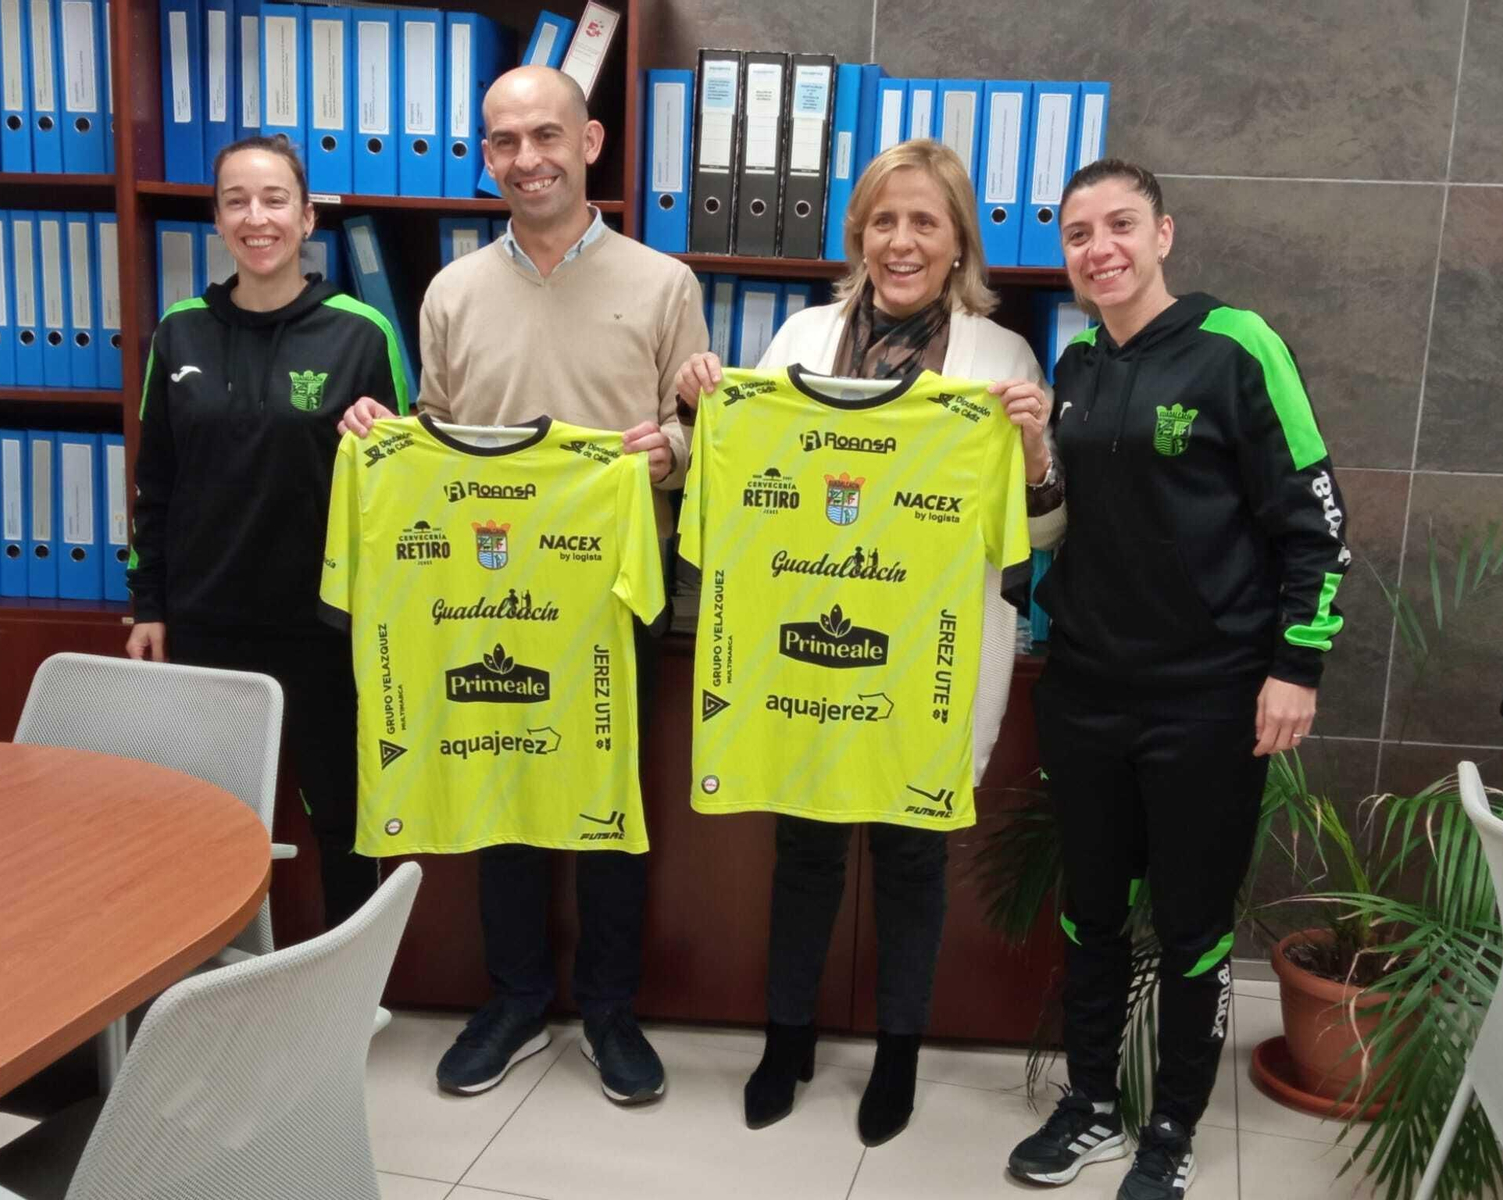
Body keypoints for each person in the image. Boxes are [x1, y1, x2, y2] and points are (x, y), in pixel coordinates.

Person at [674, 138, 1061, 1145]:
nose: (901, 241)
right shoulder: (800, 337)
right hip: (805, 648)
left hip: (928, 661)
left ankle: (898, 1055)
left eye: (925, 221)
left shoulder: (999, 360)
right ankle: (786, 1040)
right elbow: (742, 481)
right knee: (802, 851)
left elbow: (1041, 533)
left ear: (958, 240)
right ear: (858, 234)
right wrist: (703, 406)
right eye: (884, 221)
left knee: (910, 859)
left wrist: (1030, 452)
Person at [336, 66, 706, 1106]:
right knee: (498, 783)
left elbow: (700, 428)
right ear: (486, 157)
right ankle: (515, 999)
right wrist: (384, 436)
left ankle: (611, 1008)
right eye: (503, 141)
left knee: (607, 801)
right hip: (483, 587)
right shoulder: (451, 291)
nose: (526, 158)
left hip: (612, 589)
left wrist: (671, 452)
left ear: (591, 142)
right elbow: (438, 444)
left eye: (546, 135)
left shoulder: (664, 282)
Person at [1004, 158, 1349, 1200]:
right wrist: (1034, 455)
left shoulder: (1237, 346)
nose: (1098, 249)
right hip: (1087, 689)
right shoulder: (1076, 366)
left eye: (1119, 225)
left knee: (1193, 927)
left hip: (1208, 697)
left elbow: (1316, 520)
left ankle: (1171, 1130)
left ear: (1163, 234)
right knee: (1091, 913)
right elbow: (1054, 533)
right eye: (1077, 234)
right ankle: (1091, 1106)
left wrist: (1296, 668)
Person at [126, 135, 410, 931]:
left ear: (307, 217)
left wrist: (385, 434)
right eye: (237, 201)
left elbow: (404, 488)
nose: (257, 217)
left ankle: (350, 989)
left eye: (275, 199)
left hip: (324, 628)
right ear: (217, 220)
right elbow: (157, 482)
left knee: (344, 823)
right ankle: (203, 983)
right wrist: (148, 604)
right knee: (205, 823)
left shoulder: (361, 333)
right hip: (206, 625)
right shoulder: (178, 332)